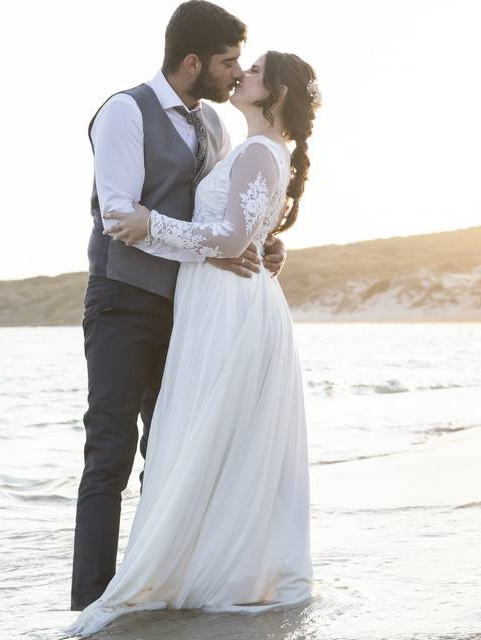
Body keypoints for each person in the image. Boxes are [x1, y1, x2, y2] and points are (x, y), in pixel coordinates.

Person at [62, 46, 321, 636]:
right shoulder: (146, 116)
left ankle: (174, 576)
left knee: (192, 441)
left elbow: (230, 233)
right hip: (175, 300)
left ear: (274, 93)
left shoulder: (242, 141)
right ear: (194, 58)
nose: (239, 74)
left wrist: (161, 226)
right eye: (235, 62)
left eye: (250, 69)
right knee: (167, 443)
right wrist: (247, 241)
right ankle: (129, 584)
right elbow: (234, 228)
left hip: (217, 305)